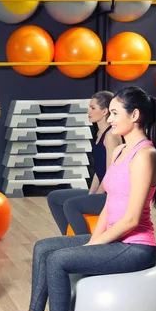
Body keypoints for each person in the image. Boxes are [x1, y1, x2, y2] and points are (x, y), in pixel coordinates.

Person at [0, 86, 156, 311]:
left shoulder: (145, 155)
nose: (109, 120)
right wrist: (92, 238)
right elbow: (109, 205)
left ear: (135, 115)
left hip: (137, 246)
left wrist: (95, 244)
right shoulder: (121, 150)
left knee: (58, 261)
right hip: (114, 237)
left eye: (114, 113)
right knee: (44, 247)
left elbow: (132, 219)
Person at [47, 91, 123, 235]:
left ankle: (84, 244)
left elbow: (110, 174)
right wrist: (90, 193)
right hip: (101, 190)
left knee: (70, 205)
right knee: (54, 198)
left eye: (93, 108)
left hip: (111, 195)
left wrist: (96, 195)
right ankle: (68, 238)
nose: (88, 111)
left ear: (105, 111)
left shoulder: (111, 135)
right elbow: (98, 171)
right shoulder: (99, 134)